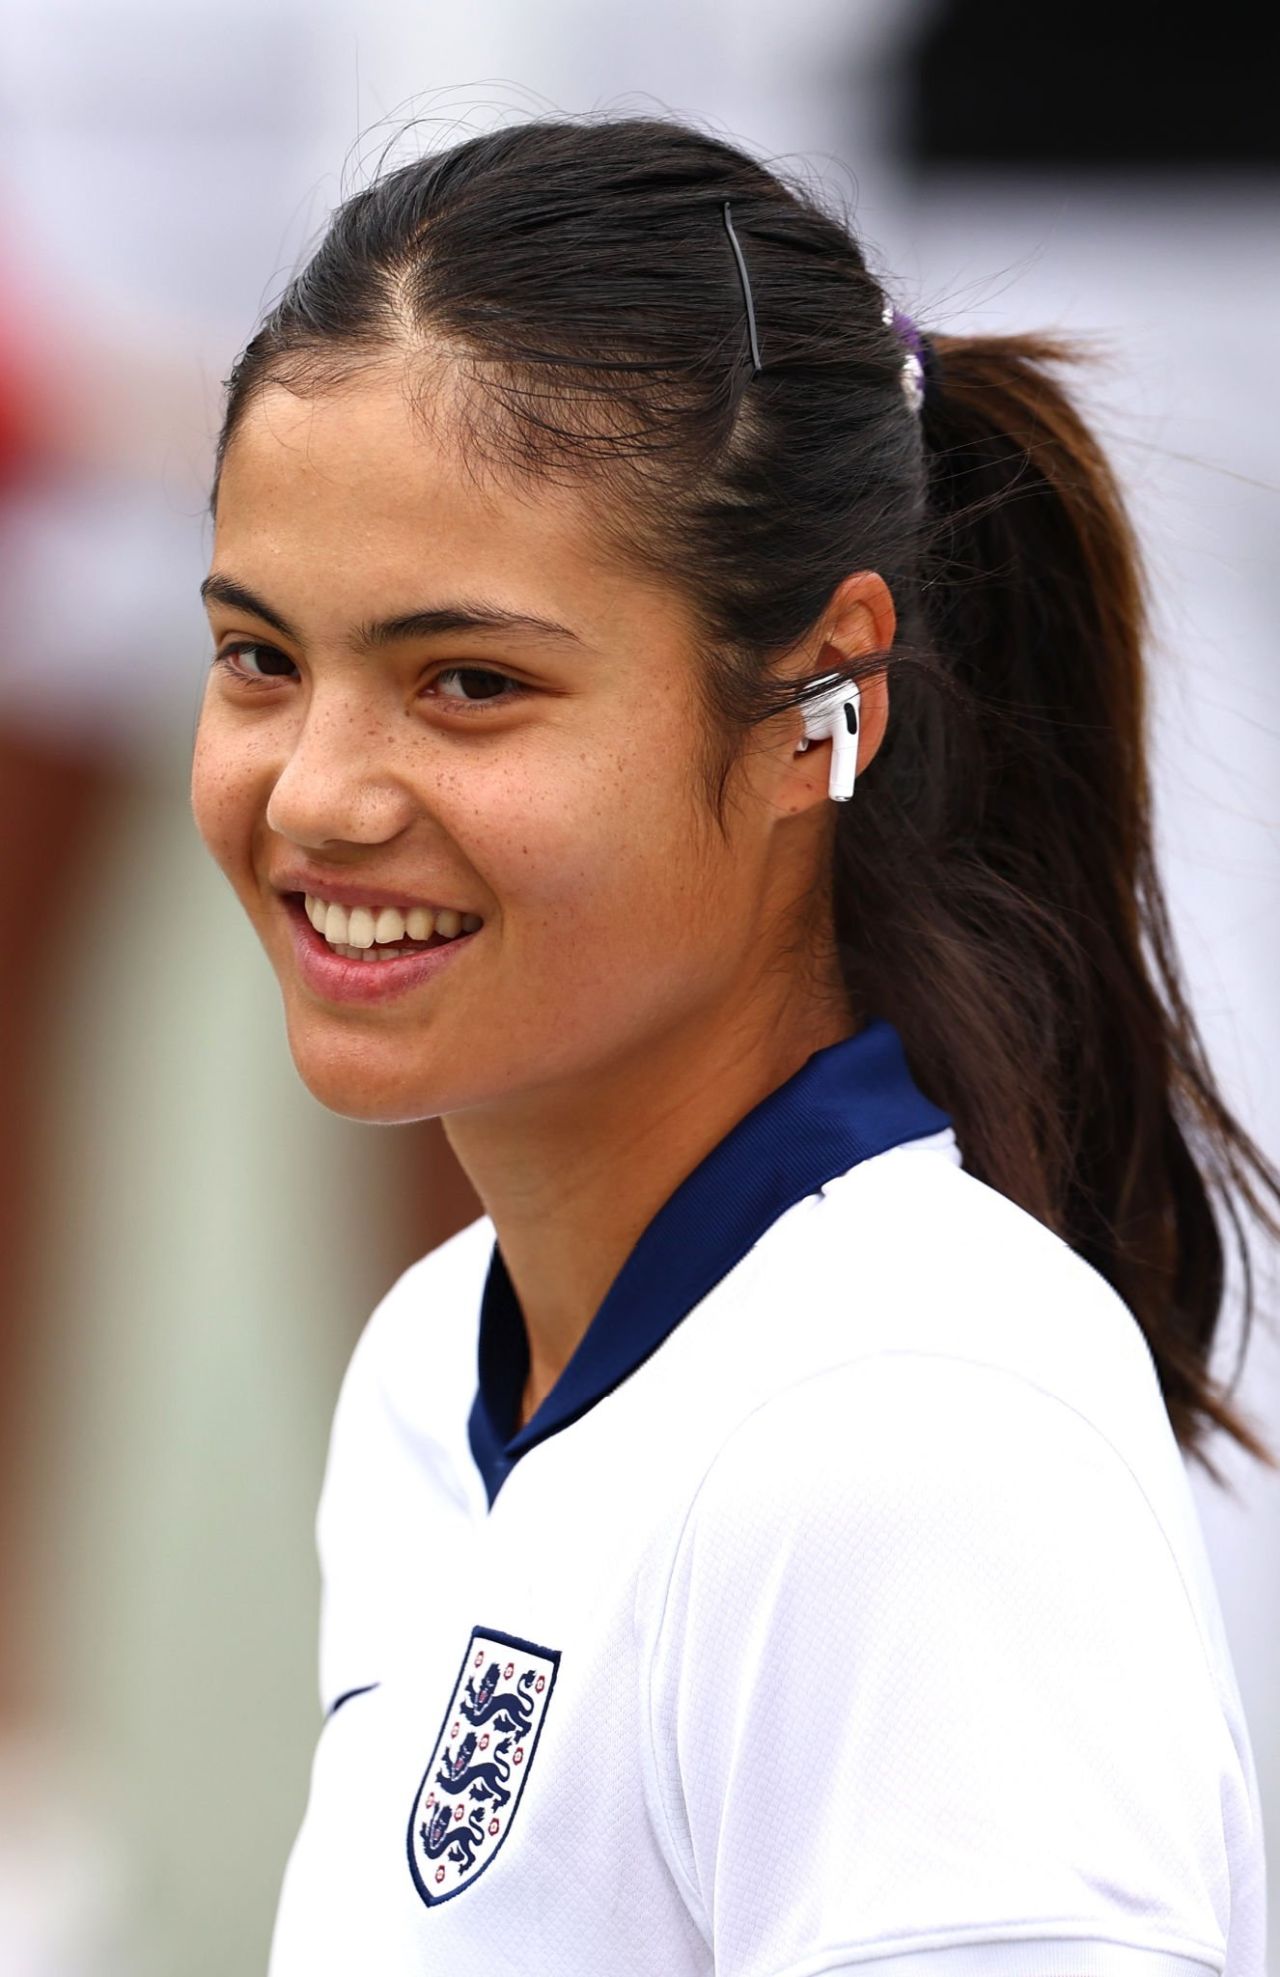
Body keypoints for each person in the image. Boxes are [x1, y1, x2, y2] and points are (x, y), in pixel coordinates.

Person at [190, 115, 1277, 1975]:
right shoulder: (429, 1373)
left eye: (472, 683)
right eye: (262, 657)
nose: (319, 792)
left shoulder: (910, 1429)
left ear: (818, 700)